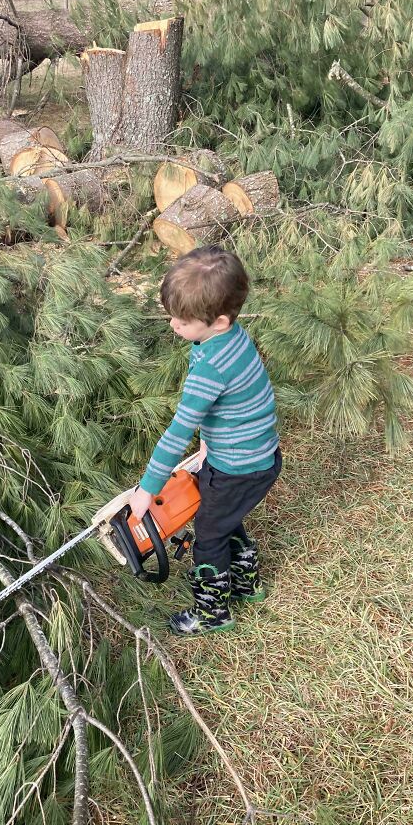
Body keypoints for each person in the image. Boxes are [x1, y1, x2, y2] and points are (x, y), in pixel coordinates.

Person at [129, 245, 281, 636]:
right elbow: (243, 401)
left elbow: (178, 430)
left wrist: (148, 489)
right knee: (225, 517)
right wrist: (212, 442)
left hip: (236, 468)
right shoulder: (232, 339)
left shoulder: (210, 368)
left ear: (219, 320)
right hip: (258, 452)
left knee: (209, 535)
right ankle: (248, 584)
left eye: (182, 320)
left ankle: (213, 613)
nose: (172, 326)